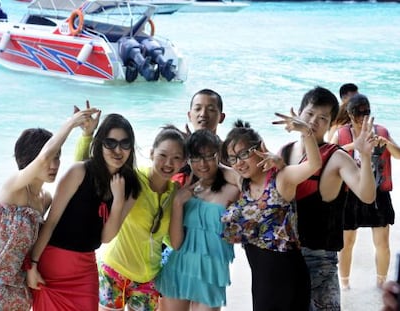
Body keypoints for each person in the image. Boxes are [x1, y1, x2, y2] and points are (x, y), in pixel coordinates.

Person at [27, 113, 141, 310]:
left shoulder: (130, 186)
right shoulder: (79, 172)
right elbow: (51, 222)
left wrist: (118, 200)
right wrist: (32, 264)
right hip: (53, 264)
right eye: (110, 143)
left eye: (124, 143)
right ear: (99, 143)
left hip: (85, 268)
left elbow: (106, 237)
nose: (117, 150)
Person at [0, 107, 96, 310]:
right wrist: (70, 123)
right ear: (31, 160)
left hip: (20, 289)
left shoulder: (44, 199)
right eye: (50, 157)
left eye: (58, 157)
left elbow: (79, 176)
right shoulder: (14, 188)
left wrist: (87, 135)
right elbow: (43, 158)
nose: (54, 164)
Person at [279, 86, 376, 310]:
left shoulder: (337, 156)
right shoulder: (283, 152)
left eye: (322, 118)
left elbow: (367, 195)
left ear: (332, 123)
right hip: (284, 257)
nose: (313, 121)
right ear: (298, 113)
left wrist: (366, 156)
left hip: (320, 261)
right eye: (310, 114)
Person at [219, 114, 321, 311]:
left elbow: (314, 165)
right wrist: (193, 144)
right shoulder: (243, 183)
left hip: (289, 277)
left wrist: (306, 132)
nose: (238, 163)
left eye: (244, 154)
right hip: (261, 280)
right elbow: (213, 167)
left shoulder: (282, 178)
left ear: (260, 148)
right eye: (233, 158)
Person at [97, 124, 187, 311]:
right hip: (115, 270)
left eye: (176, 158)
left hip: (149, 277)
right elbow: (92, 175)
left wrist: (179, 205)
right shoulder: (133, 179)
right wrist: (87, 135)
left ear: (184, 162)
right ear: (152, 153)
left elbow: (173, 242)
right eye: (162, 155)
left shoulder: (176, 194)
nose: (168, 163)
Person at [156, 129, 239, 311]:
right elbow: (176, 244)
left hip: (211, 274)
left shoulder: (233, 189)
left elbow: (248, 182)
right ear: (188, 160)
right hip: (178, 269)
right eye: (196, 157)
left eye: (209, 156)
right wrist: (177, 203)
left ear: (219, 155)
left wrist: (222, 167)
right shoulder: (183, 190)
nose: (203, 164)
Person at [331, 94, 400, 290]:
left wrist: (385, 143)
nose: (363, 116)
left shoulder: (382, 132)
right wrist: (357, 145)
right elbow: (330, 154)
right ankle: (344, 285)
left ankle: (381, 284)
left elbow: (398, 155)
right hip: (349, 193)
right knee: (347, 242)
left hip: (378, 193)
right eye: (359, 113)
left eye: (367, 112)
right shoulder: (341, 133)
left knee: (382, 242)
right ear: (350, 115)